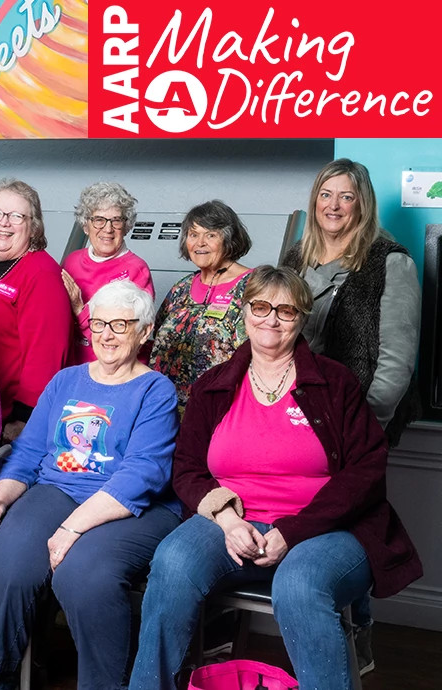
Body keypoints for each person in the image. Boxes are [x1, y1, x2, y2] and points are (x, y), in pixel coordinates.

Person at [129, 266, 422, 690]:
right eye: (261, 306)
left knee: (299, 584)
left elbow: (367, 472)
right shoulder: (213, 385)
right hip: (233, 524)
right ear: (244, 311)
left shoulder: (335, 384)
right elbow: (187, 468)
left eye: (285, 311)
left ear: (302, 318)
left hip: (328, 529)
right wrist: (227, 520)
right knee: (172, 563)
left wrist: (292, 530)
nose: (271, 319)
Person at [0, 281, 179, 690]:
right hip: (59, 488)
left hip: (129, 505)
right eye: (98, 323)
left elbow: (142, 475)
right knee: (12, 553)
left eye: (119, 325)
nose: (105, 334)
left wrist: (71, 529)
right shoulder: (65, 381)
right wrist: (0, 503)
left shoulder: (155, 389)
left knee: (83, 573)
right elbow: (29, 453)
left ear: (144, 330)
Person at [282, 159, 420, 670]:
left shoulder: (390, 261)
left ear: (362, 202)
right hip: (297, 414)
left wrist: (367, 429)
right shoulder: (297, 257)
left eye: (346, 196)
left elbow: (396, 362)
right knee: (306, 514)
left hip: (358, 417)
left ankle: (356, 629)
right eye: (326, 194)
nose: (334, 206)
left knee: (350, 517)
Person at [0, 178, 72, 442]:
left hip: (5, 412)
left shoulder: (42, 274)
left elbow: (46, 354)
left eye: (16, 216)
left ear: (34, 226)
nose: (4, 222)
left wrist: (22, 417)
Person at [150, 200, 253, 413]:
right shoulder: (181, 288)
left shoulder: (253, 286)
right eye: (193, 234)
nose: (200, 243)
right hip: (164, 408)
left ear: (229, 238)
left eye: (211, 235)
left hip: (220, 409)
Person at [61, 182, 154, 363]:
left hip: (115, 369)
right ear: (86, 225)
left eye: (116, 220)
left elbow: (128, 338)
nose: (108, 228)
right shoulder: (71, 261)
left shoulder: (136, 269)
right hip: (74, 366)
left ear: (126, 226)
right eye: (99, 220)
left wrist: (79, 309)